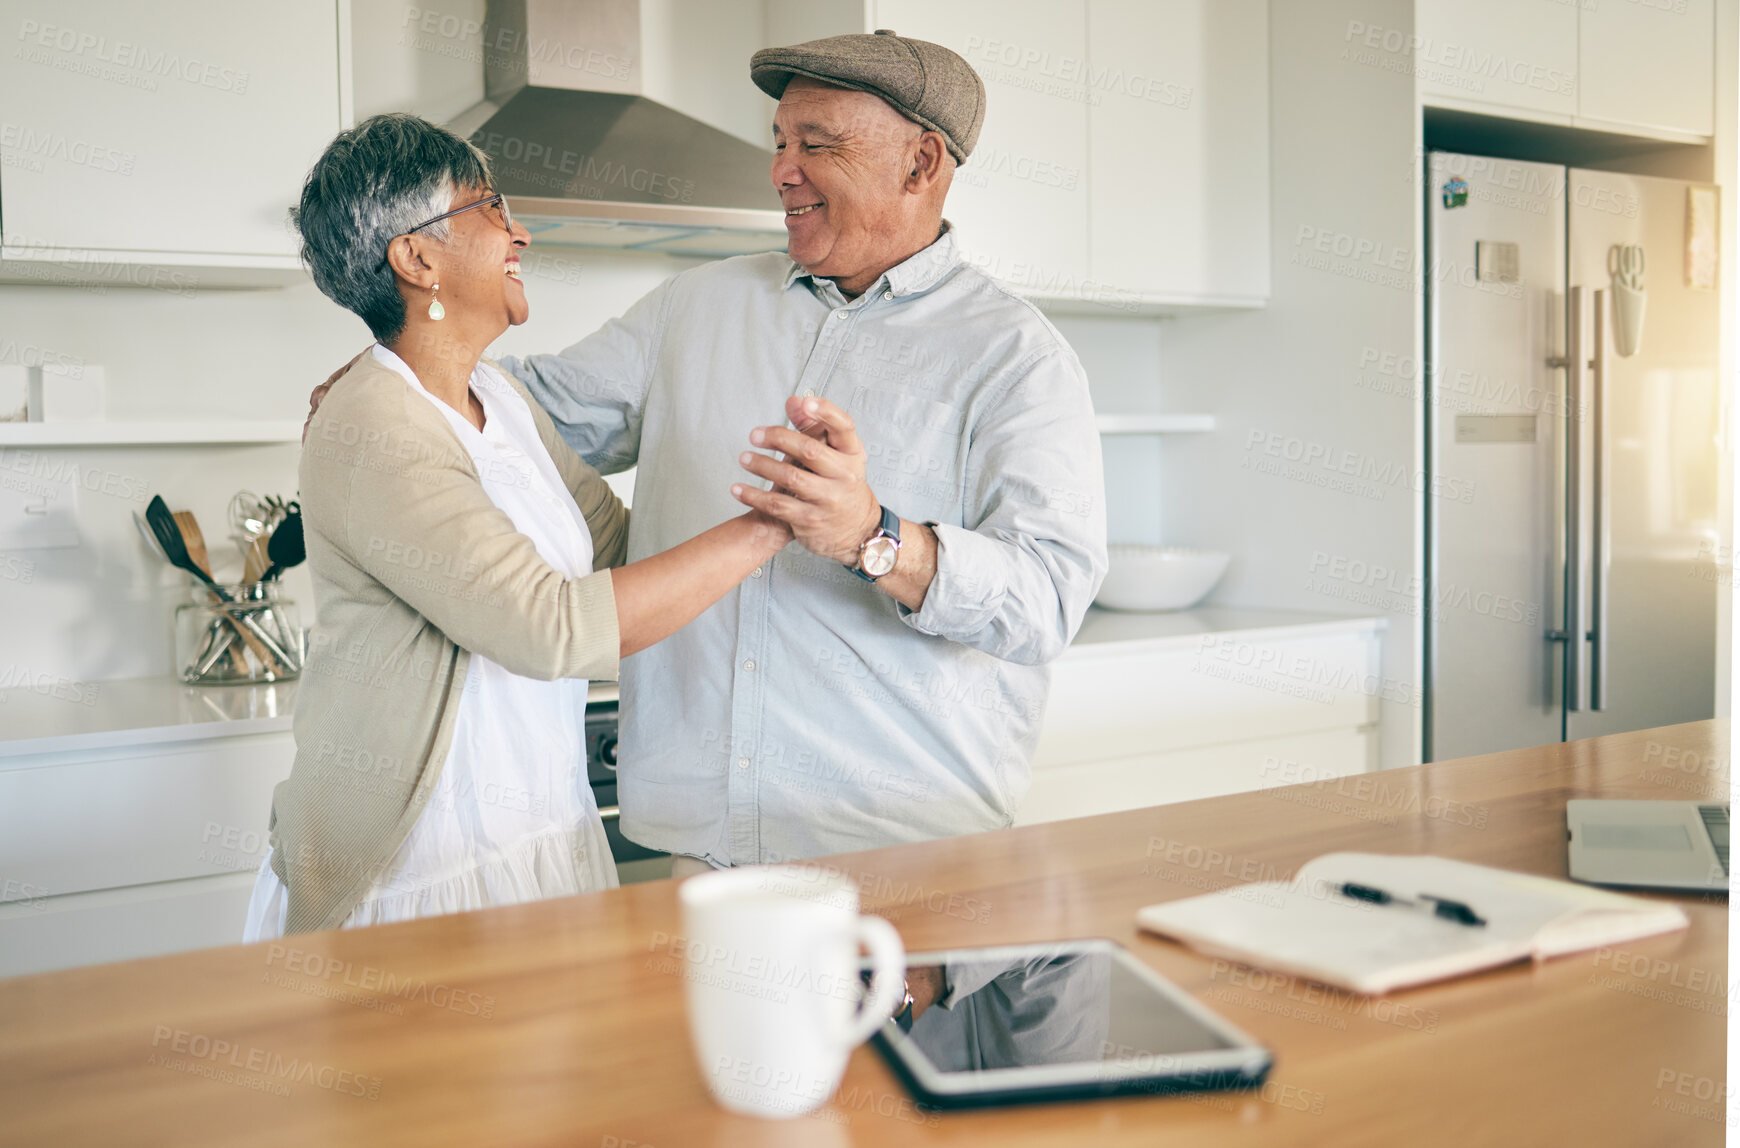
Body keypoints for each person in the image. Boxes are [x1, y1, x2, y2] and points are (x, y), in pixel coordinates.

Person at [313, 31, 1108, 878]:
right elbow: (526, 416)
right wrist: (404, 380)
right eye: (779, 143)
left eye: (818, 144)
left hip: (896, 856)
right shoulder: (698, 305)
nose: (782, 170)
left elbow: (1049, 601)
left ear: (921, 164)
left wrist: (876, 537)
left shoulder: (1015, 357)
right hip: (694, 846)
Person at [246, 114, 790, 938]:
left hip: (542, 838)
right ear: (417, 256)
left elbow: (620, 551)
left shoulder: (499, 397)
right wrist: (777, 521)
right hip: (421, 870)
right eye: (491, 208)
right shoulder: (373, 425)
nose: (520, 232)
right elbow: (551, 628)